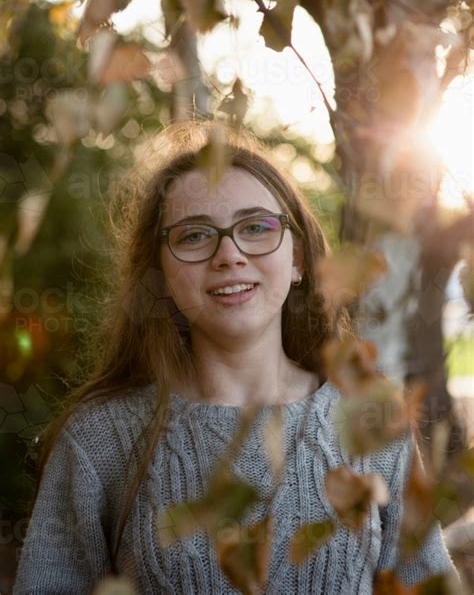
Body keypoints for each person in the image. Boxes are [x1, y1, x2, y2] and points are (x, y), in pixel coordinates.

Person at [14, 121, 456, 594]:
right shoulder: (100, 441)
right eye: (194, 236)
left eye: (256, 227)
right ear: (160, 275)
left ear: (298, 260)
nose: (230, 254)